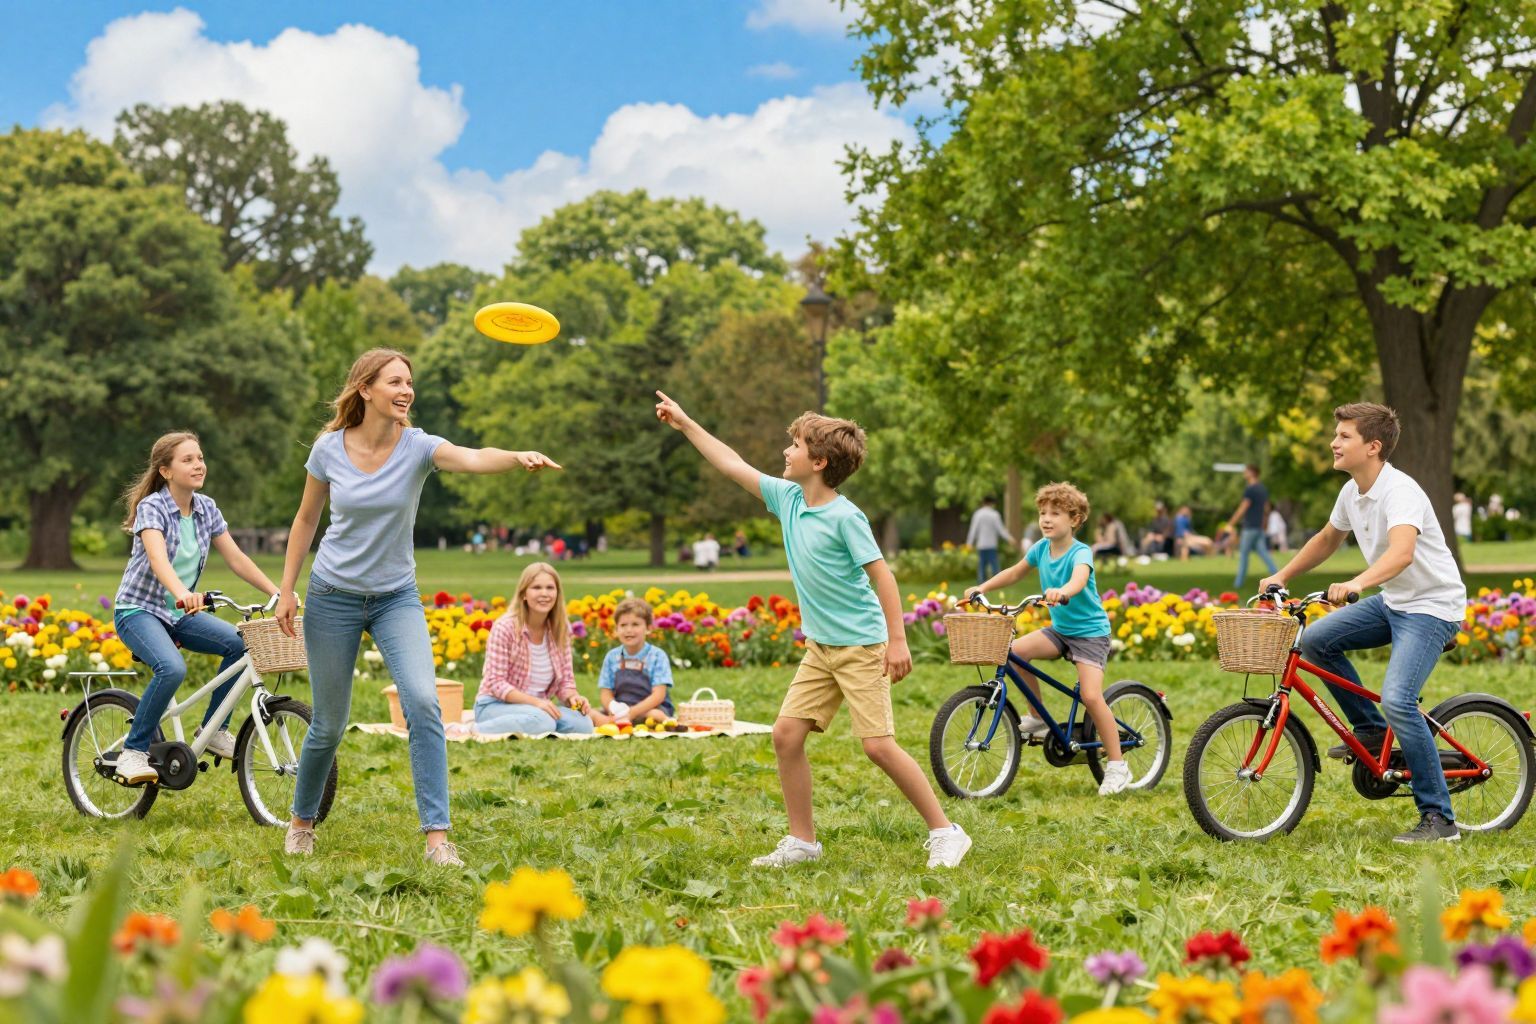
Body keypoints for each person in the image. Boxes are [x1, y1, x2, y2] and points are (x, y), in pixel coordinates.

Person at [655, 392, 973, 869]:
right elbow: (731, 464)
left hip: (862, 645)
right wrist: (686, 424)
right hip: (821, 647)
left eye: (796, 445)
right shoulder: (787, 498)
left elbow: (881, 575)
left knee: (878, 747)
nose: (786, 451)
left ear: (819, 461)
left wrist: (898, 640)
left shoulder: (846, 517)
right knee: (786, 735)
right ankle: (803, 842)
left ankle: (947, 832)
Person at [273, 348, 561, 867]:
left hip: (395, 598)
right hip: (332, 597)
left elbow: (473, 456)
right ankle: (301, 822)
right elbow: (305, 520)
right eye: (395, 382)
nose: (406, 391)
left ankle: (437, 838)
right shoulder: (328, 449)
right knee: (330, 723)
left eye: (410, 382)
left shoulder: (419, 447)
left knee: (425, 704)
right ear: (365, 389)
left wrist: (516, 457)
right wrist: (288, 588)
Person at [1258, 402, 1467, 843]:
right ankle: (1371, 733)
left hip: (1432, 607)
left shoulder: (1400, 491)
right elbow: (1327, 539)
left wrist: (1356, 582)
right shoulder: (1352, 491)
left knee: (1398, 699)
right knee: (1315, 641)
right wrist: (1282, 575)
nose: (1334, 442)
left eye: (1344, 436)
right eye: (1336, 434)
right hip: (1395, 602)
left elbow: (1401, 552)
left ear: (1372, 447)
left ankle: (1439, 818)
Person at [110, 433, 280, 784]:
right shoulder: (152, 508)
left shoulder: (206, 508)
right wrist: (181, 593)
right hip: (138, 610)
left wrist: (277, 592)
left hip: (178, 614)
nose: (198, 464)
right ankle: (133, 751)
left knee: (240, 642)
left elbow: (236, 557)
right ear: (166, 471)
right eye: (187, 459)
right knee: (171, 668)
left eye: (200, 457)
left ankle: (215, 729)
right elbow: (158, 560)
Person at [966, 482, 1130, 796]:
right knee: (1014, 652)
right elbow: (1015, 572)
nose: (1047, 519)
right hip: (1060, 631)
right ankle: (1039, 717)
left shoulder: (1081, 552)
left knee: (1093, 697)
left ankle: (1117, 766)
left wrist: (1063, 591)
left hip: (1090, 634)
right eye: (1043, 513)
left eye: (1055, 513)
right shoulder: (1040, 548)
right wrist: (982, 588)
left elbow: (1079, 579)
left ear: (1075, 519)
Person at [474, 562, 595, 736]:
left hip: (538, 709)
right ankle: (473, 730)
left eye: (550, 588)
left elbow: (565, 682)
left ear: (557, 593)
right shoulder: (505, 627)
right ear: (524, 593)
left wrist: (573, 697)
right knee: (542, 721)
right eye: (537, 587)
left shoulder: (560, 629)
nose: (544, 594)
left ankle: (533, 722)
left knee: (583, 725)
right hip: (494, 705)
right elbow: (495, 683)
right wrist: (536, 703)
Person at [595, 598, 675, 725]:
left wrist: (632, 713)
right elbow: (605, 693)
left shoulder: (657, 656)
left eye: (635, 624)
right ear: (616, 629)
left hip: (651, 708)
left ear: (648, 628)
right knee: (592, 713)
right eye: (623, 625)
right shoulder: (612, 657)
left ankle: (633, 720)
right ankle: (620, 720)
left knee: (654, 715)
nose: (628, 630)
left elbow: (658, 695)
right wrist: (612, 707)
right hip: (622, 708)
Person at [1225, 464, 1278, 589]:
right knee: (1263, 552)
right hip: (1258, 527)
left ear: (1253, 473)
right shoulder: (1262, 489)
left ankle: (1238, 584)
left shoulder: (1250, 489)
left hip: (1249, 527)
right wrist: (1264, 524)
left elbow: (1243, 508)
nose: (1244, 473)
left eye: (1246, 471)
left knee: (1243, 555)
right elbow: (1266, 509)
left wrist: (1231, 523)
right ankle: (1277, 574)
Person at [965, 496, 1015, 584]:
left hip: (981, 545)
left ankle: (981, 585)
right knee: (994, 566)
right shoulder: (994, 514)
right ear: (992, 503)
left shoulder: (978, 514)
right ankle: (998, 582)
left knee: (981, 567)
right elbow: (1001, 530)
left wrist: (969, 543)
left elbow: (973, 530)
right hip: (991, 545)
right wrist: (1009, 538)